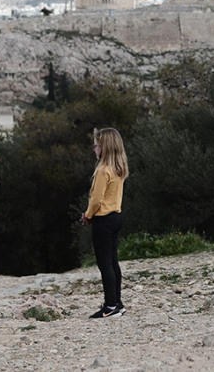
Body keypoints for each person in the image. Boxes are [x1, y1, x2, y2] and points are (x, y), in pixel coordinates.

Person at [79, 127, 128, 319]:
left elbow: (97, 199)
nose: (94, 148)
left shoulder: (102, 171)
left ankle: (110, 305)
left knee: (104, 263)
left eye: (96, 145)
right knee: (113, 261)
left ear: (105, 147)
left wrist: (88, 215)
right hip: (116, 216)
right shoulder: (118, 169)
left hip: (103, 219)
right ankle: (118, 303)